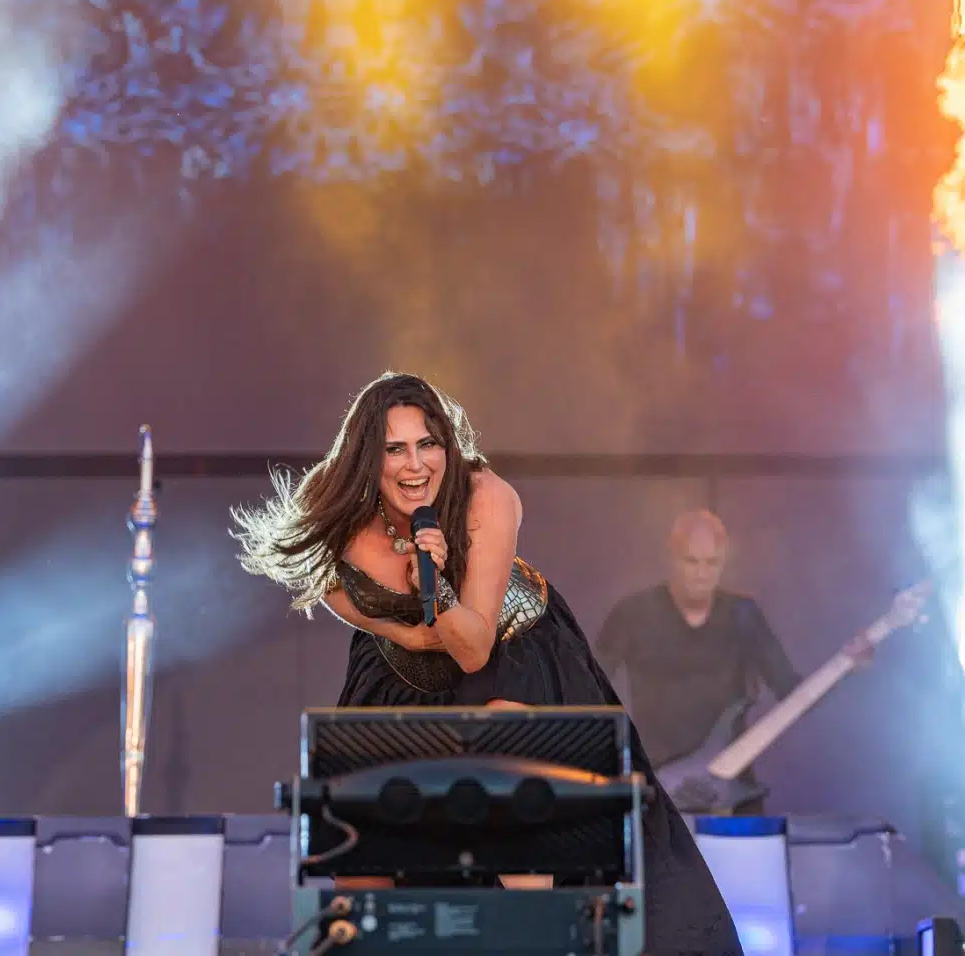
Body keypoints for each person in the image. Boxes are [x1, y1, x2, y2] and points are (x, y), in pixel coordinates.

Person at [234, 372, 742, 956]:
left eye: (428, 444)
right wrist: (404, 631)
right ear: (367, 459)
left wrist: (435, 583)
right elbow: (333, 587)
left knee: (508, 789)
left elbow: (473, 648)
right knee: (362, 832)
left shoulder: (485, 496)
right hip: (400, 668)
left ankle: (534, 936)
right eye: (395, 449)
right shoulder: (334, 503)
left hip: (507, 650)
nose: (415, 465)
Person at [596, 510, 802, 815]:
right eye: (691, 561)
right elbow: (588, 687)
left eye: (712, 563)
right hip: (660, 783)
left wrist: (847, 666)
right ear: (672, 558)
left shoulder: (743, 614)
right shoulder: (633, 614)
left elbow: (791, 689)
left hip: (729, 788)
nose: (702, 573)